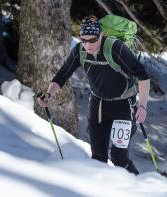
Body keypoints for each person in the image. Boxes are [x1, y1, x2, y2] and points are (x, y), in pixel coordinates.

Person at [38, 15, 150, 175]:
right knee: (98, 158)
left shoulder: (115, 48)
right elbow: (63, 74)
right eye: (83, 40)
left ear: (101, 35)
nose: (88, 45)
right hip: (99, 106)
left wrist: (143, 105)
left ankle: (142, 189)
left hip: (124, 106)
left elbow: (143, 76)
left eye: (92, 40)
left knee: (119, 159)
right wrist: (48, 94)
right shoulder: (80, 50)